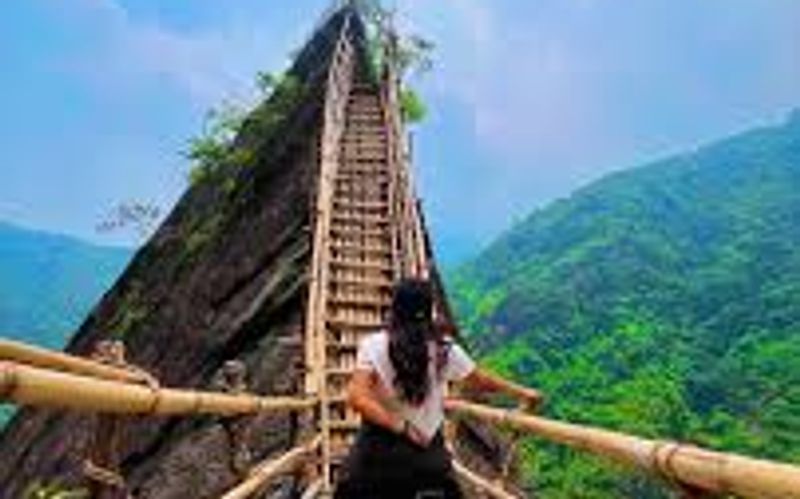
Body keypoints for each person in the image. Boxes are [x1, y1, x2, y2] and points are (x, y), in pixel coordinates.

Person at [334, 278, 543, 499]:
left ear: (395, 308)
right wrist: (520, 391)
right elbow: (480, 379)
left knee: (349, 486)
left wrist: (401, 426)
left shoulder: (373, 345)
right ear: (429, 309)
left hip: (377, 456)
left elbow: (357, 397)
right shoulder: (445, 349)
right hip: (426, 456)